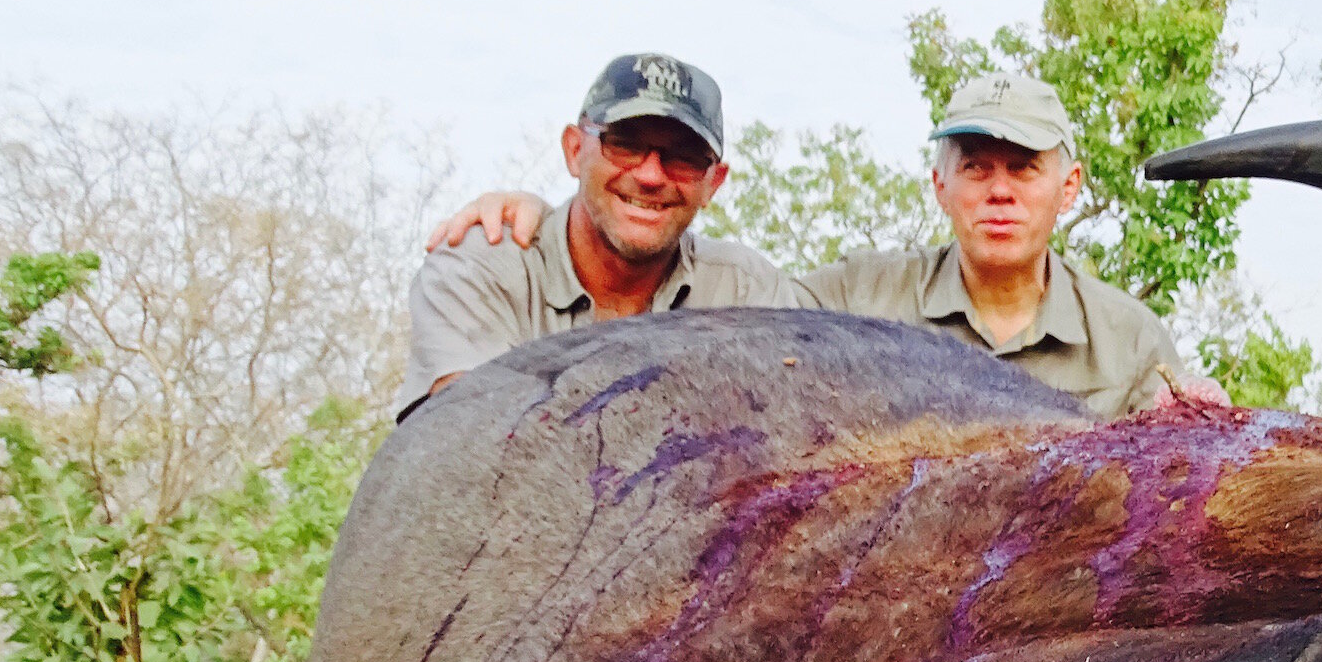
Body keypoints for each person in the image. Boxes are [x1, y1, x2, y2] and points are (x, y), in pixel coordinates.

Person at [428, 70, 1217, 420]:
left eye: (1023, 168)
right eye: (975, 167)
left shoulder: (1131, 339)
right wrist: (544, 205)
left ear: (1069, 186)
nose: (999, 191)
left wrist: (1202, 421)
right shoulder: (846, 301)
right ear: (939, 185)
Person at [395, 53, 797, 422]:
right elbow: (466, 447)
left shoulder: (749, 293)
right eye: (623, 144)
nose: (651, 175)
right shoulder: (480, 267)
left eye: (684, 158)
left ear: (714, 183)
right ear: (574, 150)